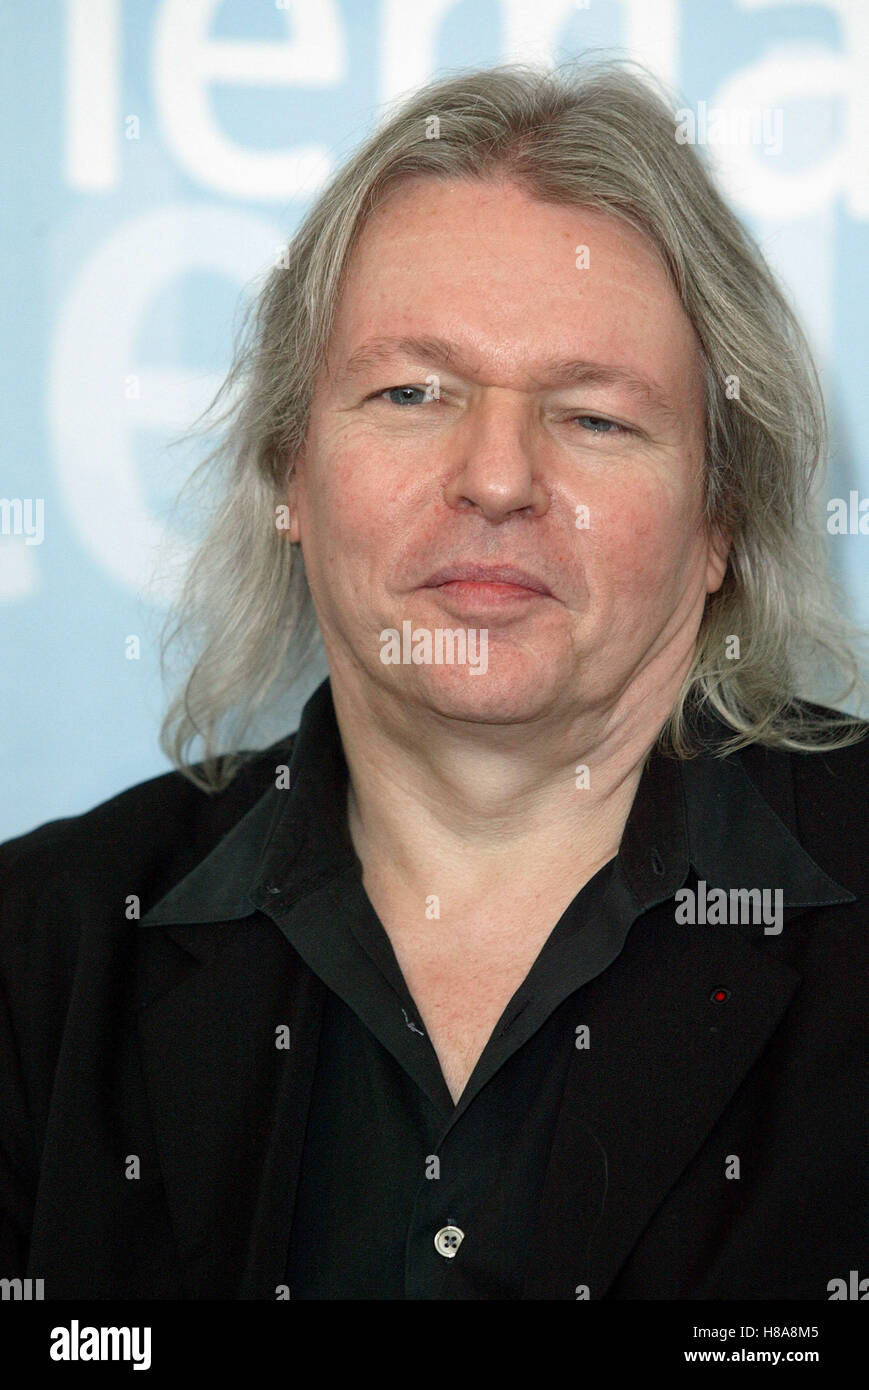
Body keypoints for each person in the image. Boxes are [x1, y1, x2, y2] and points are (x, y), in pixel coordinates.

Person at [2, 60, 867, 1301]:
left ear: (718, 516)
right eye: (412, 393)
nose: (497, 478)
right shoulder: (41, 957)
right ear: (288, 474)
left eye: (592, 417)